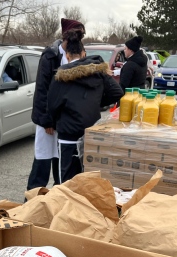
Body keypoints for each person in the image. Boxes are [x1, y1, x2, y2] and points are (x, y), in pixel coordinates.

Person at [47, 31, 124, 183]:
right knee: (89, 180)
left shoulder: (60, 76)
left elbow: (52, 105)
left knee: (67, 183)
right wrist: (94, 102)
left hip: (68, 134)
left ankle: (68, 206)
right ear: (83, 54)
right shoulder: (98, 72)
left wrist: (54, 121)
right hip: (91, 133)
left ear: (67, 56)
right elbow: (117, 92)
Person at [26, 18, 85, 193]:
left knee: (62, 163)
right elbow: (42, 91)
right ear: (66, 38)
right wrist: (47, 121)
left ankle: (58, 198)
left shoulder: (80, 53)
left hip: (66, 122)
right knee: (43, 160)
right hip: (48, 122)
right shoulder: (50, 55)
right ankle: (32, 198)